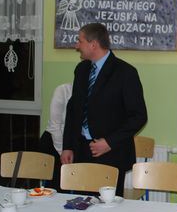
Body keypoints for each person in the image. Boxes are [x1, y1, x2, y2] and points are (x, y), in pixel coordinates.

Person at [62, 23, 147, 196]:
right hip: (82, 151)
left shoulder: (125, 73)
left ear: (93, 44)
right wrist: (68, 146)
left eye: (80, 41)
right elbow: (73, 110)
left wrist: (109, 142)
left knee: (108, 209)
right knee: (82, 205)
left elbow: (138, 116)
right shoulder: (81, 70)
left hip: (111, 153)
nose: (76, 46)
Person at [38, 83, 72, 191]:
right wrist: (63, 152)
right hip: (54, 142)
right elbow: (55, 126)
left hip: (70, 144)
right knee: (54, 188)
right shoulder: (63, 90)